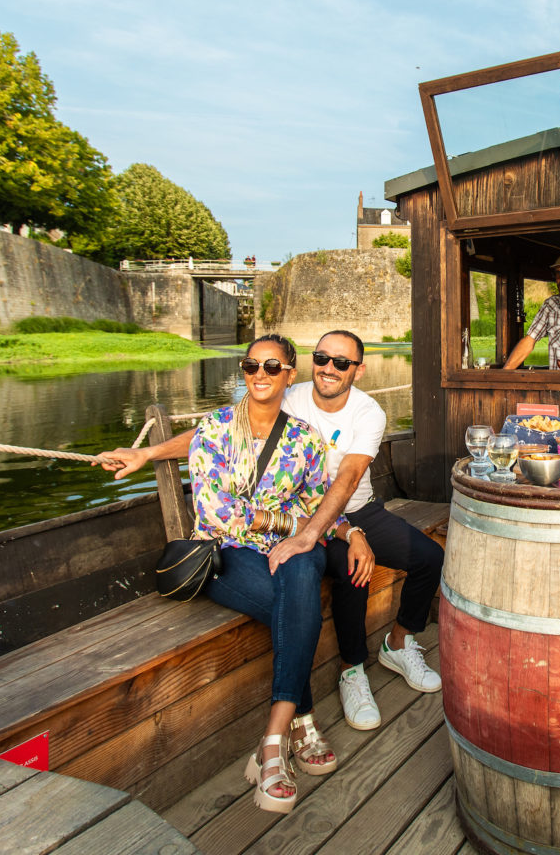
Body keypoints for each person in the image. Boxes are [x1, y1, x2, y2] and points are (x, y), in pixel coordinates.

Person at [97, 330, 444, 733]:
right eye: (322, 358)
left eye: (341, 363)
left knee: (428, 557)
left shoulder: (364, 413)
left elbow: (346, 480)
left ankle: (397, 643)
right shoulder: (283, 393)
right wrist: (147, 452)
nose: (329, 369)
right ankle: (344, 676)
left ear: (358, 371)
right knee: (340, 578)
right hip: (286, 525)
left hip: (350, 510)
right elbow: (215, 431)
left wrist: (342, 531)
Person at [183, 333, 348, 814]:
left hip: (292, 551)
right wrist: (284, 524)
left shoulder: (305, 439)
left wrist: (347, 530)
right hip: (227, 553)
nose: (260, 374)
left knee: (302, 567)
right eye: (251, 365)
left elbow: (318, 505)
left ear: (289, 374)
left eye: (272, 367)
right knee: (296, 607)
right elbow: (215, 513)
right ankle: (299, 721)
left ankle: (271, 742)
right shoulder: (214, 429)